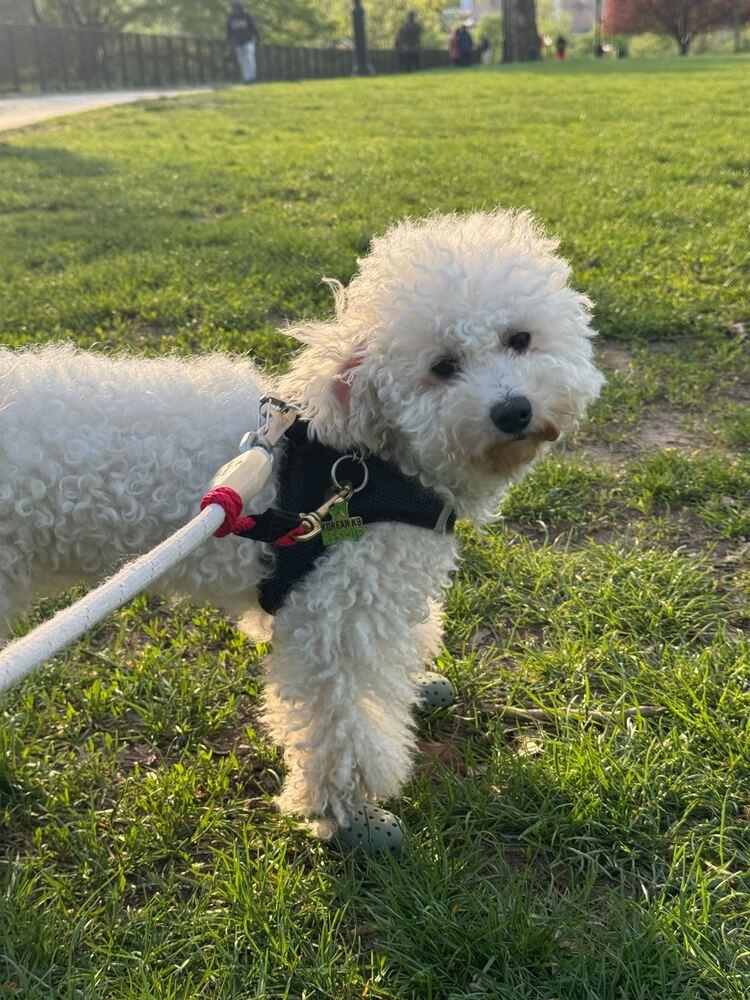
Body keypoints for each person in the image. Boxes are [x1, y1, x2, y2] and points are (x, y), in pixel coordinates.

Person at [227, 1, 260, 84]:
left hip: (248, 40)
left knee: (249, 59)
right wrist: (228, 42)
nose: (236, 8)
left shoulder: (246, 15)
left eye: (237, 6)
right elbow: (229, 31)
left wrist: (257, 37)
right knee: (242, 60)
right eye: (235, 6)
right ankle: (247, 77)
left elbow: (253, 26)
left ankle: (250, 78)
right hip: (237, 42)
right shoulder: (231, 17)